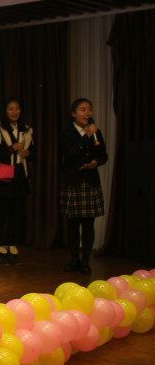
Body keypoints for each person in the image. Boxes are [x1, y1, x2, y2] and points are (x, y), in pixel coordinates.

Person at [59, 98, 107, 275]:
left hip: (90, 181)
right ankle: (74, 259)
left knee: (88, 224)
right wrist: (86, 136)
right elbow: (70, 153)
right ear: (74, 114)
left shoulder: (96, 131)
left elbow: (103, 155)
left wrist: (96, 162)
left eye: (89, 109)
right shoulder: (66, 132)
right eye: (83, 109)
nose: (87, 113)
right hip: (73, 182)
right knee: (72, 224)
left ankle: (86, 261)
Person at [0, 98, 33, 265]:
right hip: (4, 176)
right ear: (4, 111)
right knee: (1, 213)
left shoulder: (27, 130)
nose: (14, 112)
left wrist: (28, 153)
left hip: (20, 175)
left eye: (17, 109)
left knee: (17, 213)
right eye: (10, 109)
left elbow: (33, 152)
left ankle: (12, 245)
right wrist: (11, 149)